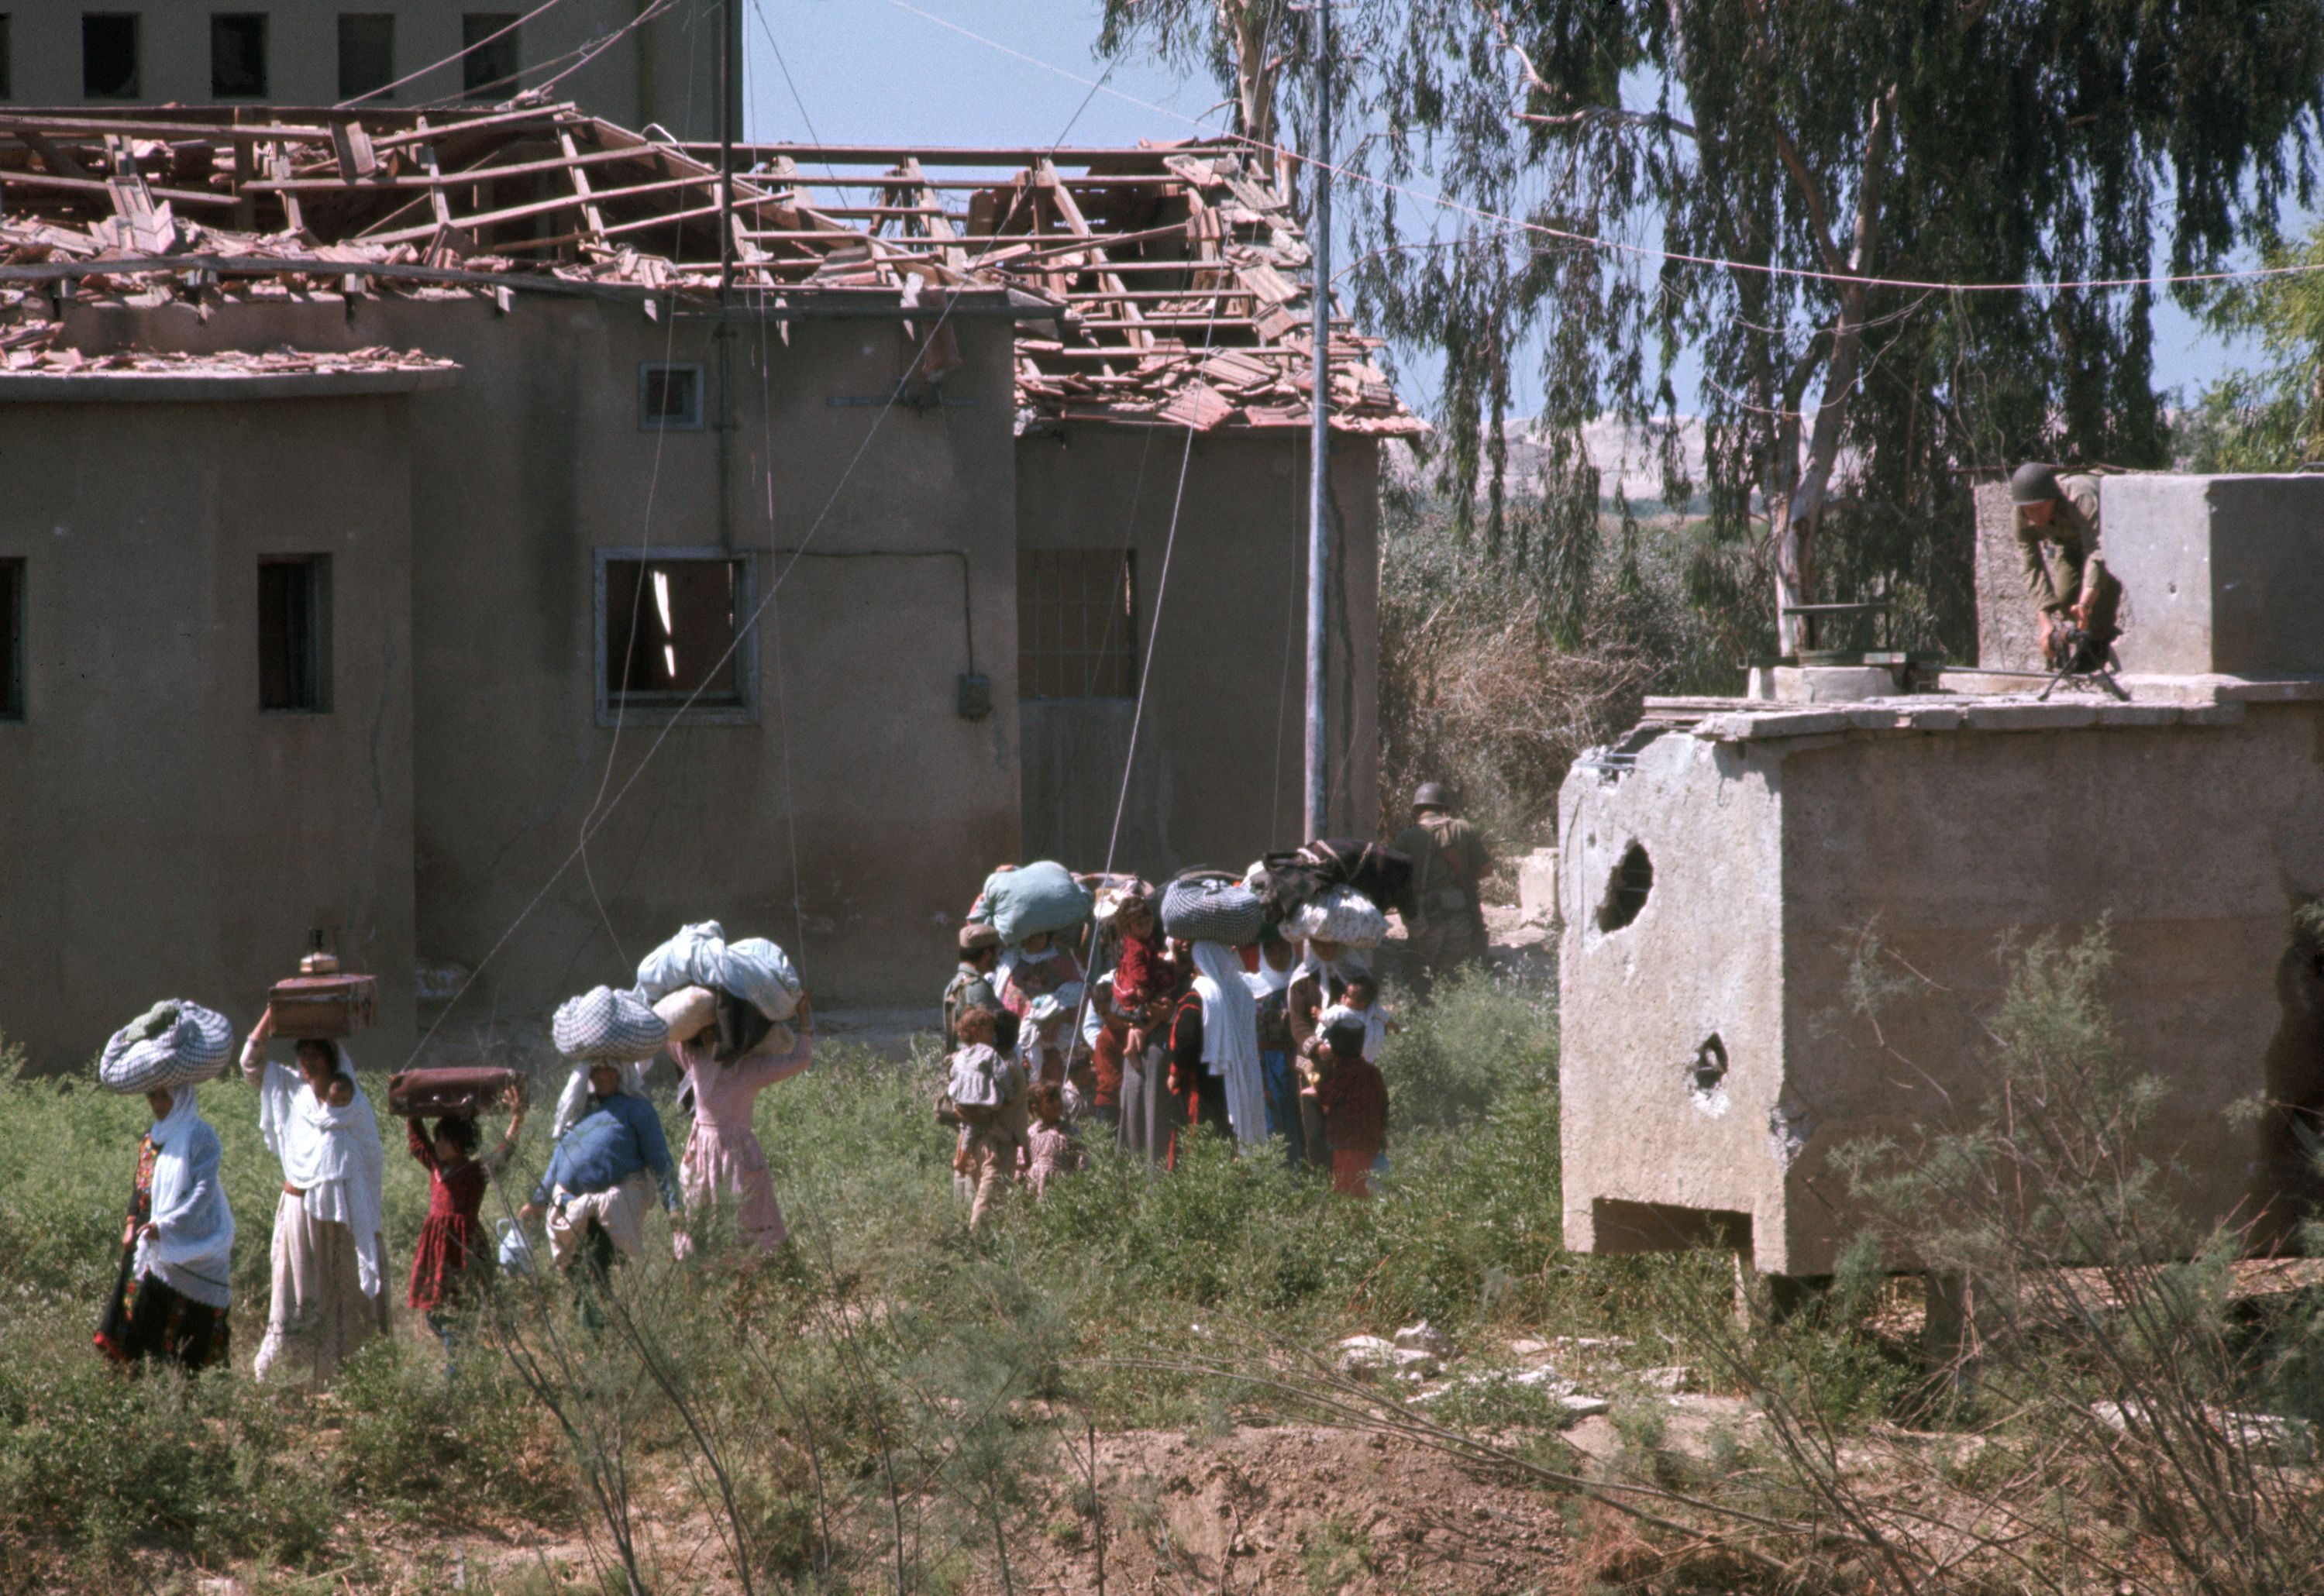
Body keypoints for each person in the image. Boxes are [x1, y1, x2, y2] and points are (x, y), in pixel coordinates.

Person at [242, 1010, 391, 1384]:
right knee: (295, 1294)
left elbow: (370, 1160)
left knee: (344, 1296)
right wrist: (271, 1016)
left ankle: (352, 1377)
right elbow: (249, 1063)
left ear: (331, 1059)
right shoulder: (289, 1090)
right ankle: (290, 1378)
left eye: (316, 1056)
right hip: (299, 1210)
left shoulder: (354, 1110)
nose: (307, 1064)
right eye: (302, 1055)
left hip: (343, 1218)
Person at [520, 987, 680, 1306]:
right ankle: (593, 1340)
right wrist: (538, 1202)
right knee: (579, 1279)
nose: (604, 1074)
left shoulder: (637, 1109)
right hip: (571, 1208)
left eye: (610, 1068)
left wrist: (673, 1205)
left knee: (602, 1273)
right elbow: (559, 1160)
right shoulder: (580, 1114)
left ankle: (608, 1338)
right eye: (597, 1068)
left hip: (612, 1208)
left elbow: (660, 1159)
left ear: (621, 1071)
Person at [658, 982, 813, 1261]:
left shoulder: (752, 1069)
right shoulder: (696, 1059)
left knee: (744, 1233)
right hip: (701, 1156)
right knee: (695, 1228)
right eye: (703, 1029)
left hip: (738, 1158)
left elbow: (801, 1059)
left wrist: (803, 1016)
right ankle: (697, 1299)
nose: (707, 1035)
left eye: (715, 1029)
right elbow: (667, 1034)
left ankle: (743, 1300)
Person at [97, 1080, 236, 1372]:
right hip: (149, 1231)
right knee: (135, 1303)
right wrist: (132, 1222)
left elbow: (202, 1191)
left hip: (188, 1230)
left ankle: (183, 1377)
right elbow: (141, 1183)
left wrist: (170, 1226)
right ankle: (133, 1370)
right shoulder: (152, 1137)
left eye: (165, 1097)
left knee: (183, 1308)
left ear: (182, 1097)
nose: (158, 1104)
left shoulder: (201, 1136)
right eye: (152, 1096)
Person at [405, 1082, 525, 1350]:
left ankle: (458, 1360)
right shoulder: (435, 1167)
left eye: (447, 1140)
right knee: (434, 1311)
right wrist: (413, 1109)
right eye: (439, 1139)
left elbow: (503, 1153)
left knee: (460, 1303)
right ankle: (461, 1347)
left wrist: (517, 1117)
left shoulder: (474, 1172)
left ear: (462, 1143)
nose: (440, 1145)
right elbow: (417, 1140)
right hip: (436, 1246)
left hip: (463, 1244)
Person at [1163, 939, 1267, 1163]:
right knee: (1227, 1137)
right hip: (1234, 1080)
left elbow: (1187, 1040)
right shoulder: (1236, 992)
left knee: (1199, 1142)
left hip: (1198, 1084)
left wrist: (1175, 1072)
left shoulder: (1197, 996)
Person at [2010, 462, 2121, 670]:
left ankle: (2097, 644)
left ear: (2054, 498)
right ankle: (2072, 643)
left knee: (2101, 589)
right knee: (2065, 599)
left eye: (2040, 508)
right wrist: (2045, 624)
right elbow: (2031, 567)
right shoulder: (2020, 516)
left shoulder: (2080, 497)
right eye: (2029, 510)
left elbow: (2097, 550)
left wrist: (2085, 604)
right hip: (2068, 543)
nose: (2035, 517)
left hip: (2107, 538)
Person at [1393, 783, 1493, 989]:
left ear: (1418, 809)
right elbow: (1486, 869)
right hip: (1460, 913)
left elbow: (1395, 881)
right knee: (1455, 976)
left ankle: (1421, 1015)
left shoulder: (1407, 836)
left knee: (1420, 974)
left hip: (1423, 917)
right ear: (1444, 807)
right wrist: (1463, 879)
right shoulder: (1463, 829)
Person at [947, 1005, 1029, 1230]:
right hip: (997, 1144)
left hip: (977, 1140)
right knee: (987, 1205)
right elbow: (1009, 1104)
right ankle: (976, 1246)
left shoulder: (968, 1060)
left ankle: (968, 1242)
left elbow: (958, 1099)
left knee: (976, 1199)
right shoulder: (1006, 1066)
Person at [1286, 937, 1364, 1173]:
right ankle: (1320, 1181)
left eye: (1330, 943)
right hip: (1309, 1063)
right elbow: (1298, 1023)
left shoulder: (1355, 979)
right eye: (1318, 944)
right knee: (1316, 1127)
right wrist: (1316, 1046)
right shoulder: (1302, 981)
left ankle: (1349, 1184)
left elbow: (1364, 1017)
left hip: (1346, 1063)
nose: (1324, 949)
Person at [1247, 930, 1306, 1168]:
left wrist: (1307, 1066)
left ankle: (1301, 1171)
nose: (1278, 956)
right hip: (1263, 1064)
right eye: (1271, 950)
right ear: (1263, 952)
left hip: (1296, 1060)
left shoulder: (1300, 985)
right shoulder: (1251, 986)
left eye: (1284, 949)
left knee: (1300, 1111)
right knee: (1269, 1116)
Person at [1314, 1016, 1389, 1199]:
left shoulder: (1341, 1073)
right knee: (1362, 1190)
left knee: (1347, 1196)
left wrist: (1313, 1074)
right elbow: (1384, 1106)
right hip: (1370, 1142)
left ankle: (1356, 1226)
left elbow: (1326, 1097)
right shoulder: (1372, 1072)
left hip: (1348, 1144)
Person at [944, 925, 1004, 1049]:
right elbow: (988, 1035)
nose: (999, 957)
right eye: (998, 951)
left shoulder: (954, 984)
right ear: (987, 954)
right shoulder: (977, 987)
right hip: (979, 1065)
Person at [1317, 974, 1397, 1065]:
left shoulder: (1341, 1011)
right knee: (1378, 1027)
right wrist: (1396, 1029)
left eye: (1348, 996)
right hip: (1363, 1048)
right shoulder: (1371, 1008)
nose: (1343, 996)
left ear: (1361, 1004)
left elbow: (1323, 1018)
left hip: (1341, 1048)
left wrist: (1318, 1012)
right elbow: (1386, 1019)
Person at [1024, 1081, 1083, 1197]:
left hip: (1063, 1182)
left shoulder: (1071, 1131)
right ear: (1035, 1108)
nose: (1056, 1104)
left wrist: (1082, 1181)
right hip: (1037, 1181)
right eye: (1050, 1101)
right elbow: (1025, 1159)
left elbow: (1081, 1157)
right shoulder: (1032, 1132)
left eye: (1058, 1099)